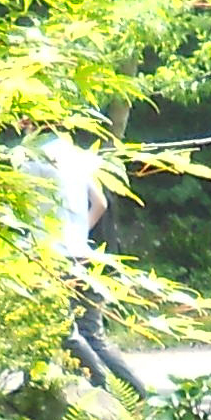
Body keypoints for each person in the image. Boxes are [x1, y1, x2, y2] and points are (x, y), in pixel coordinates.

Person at [25, 134, 145, 394]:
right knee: (92, 333)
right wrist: (78, 235)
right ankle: (136, 393)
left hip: (50, 257)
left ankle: (104, 390)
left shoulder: (28, 158)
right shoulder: (79, 156)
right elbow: (100, 203)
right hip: (82, 254)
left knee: (57, 331)